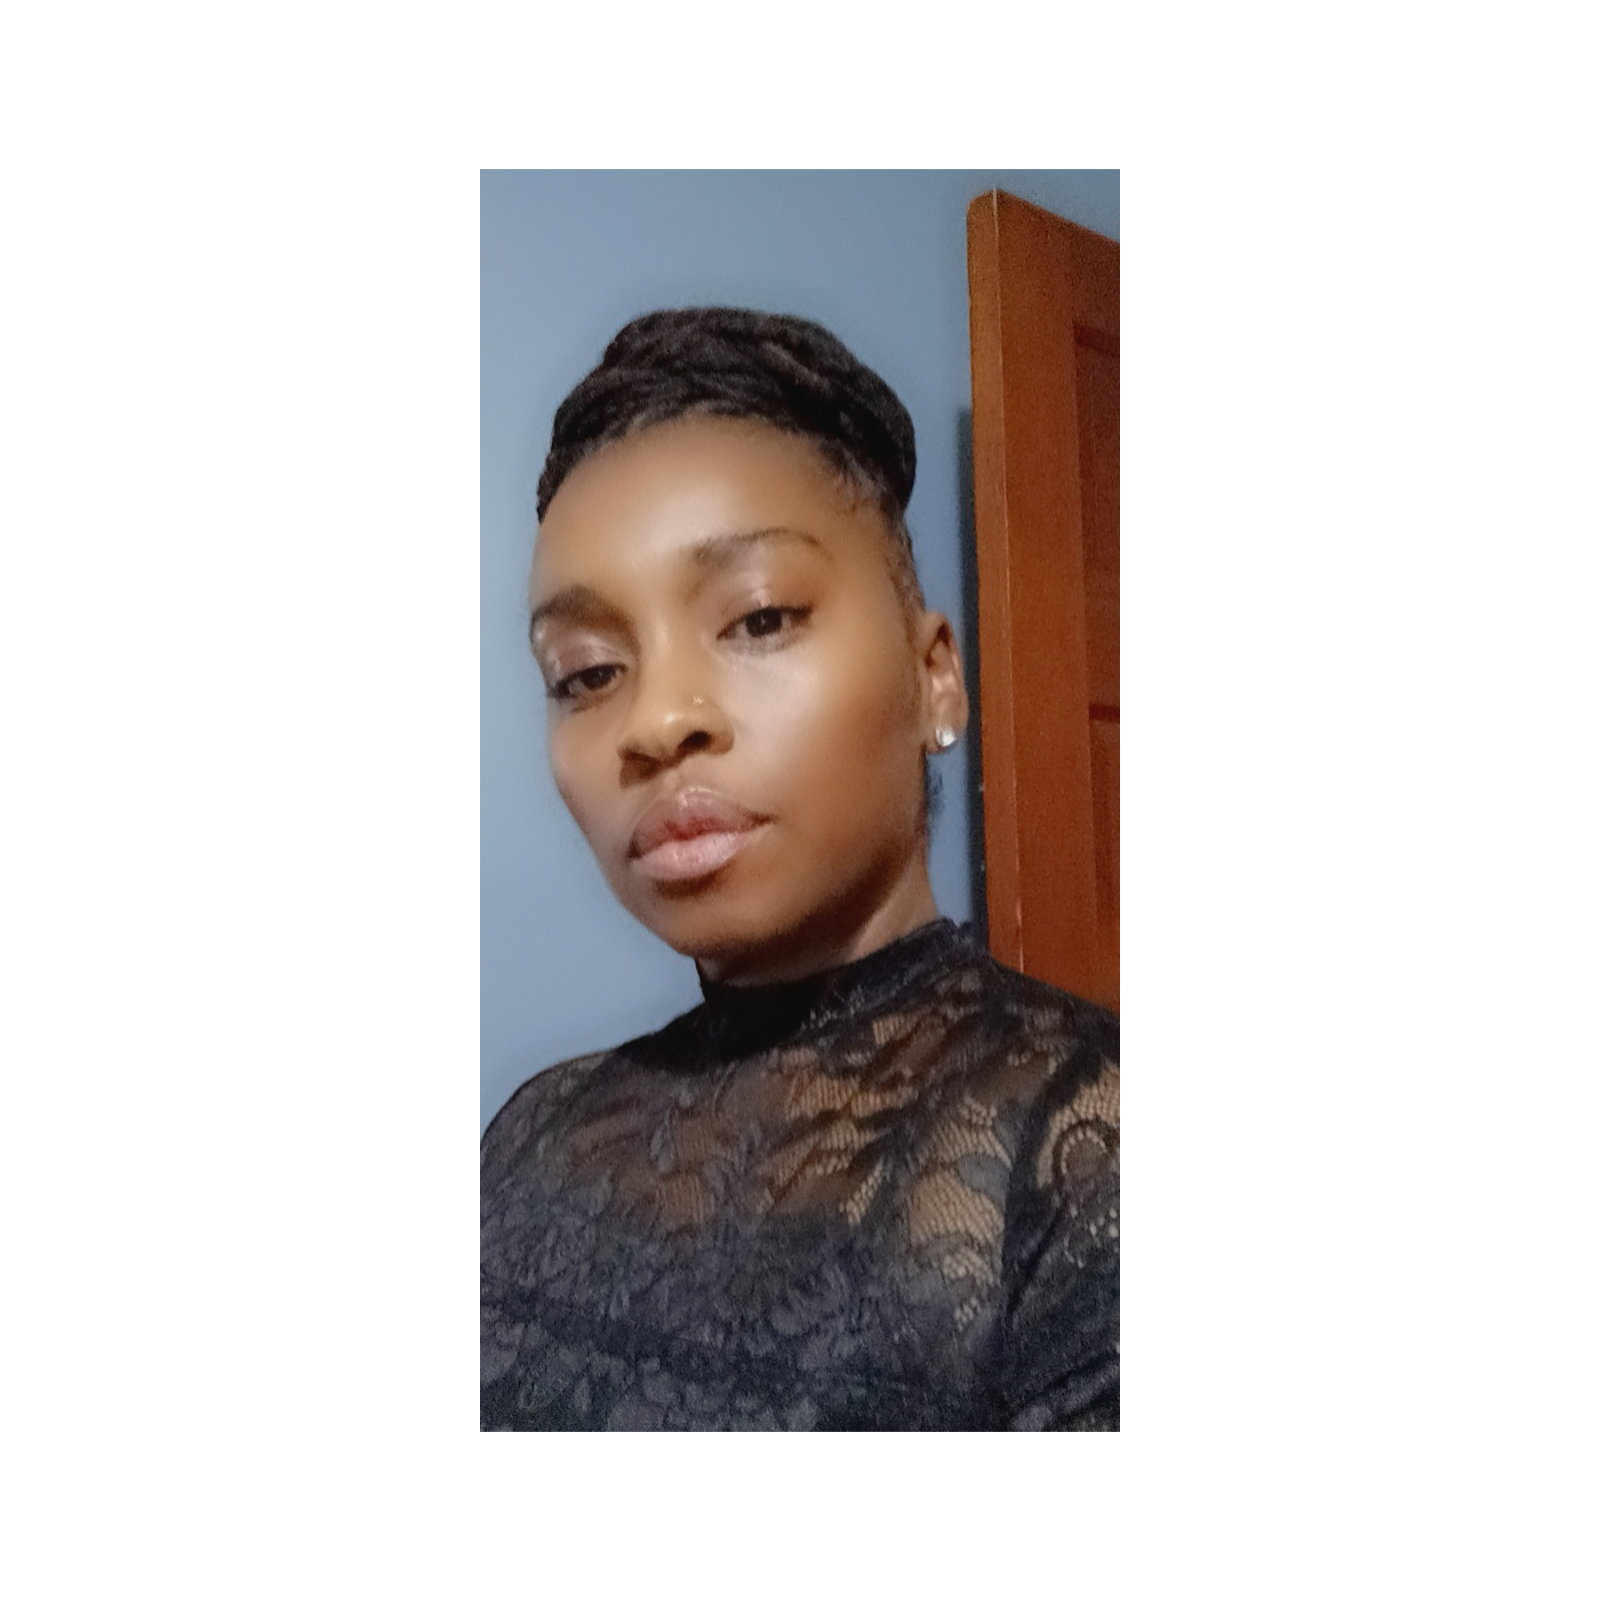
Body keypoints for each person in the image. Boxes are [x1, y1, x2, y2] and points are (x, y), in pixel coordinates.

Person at [480, 308, 1120, 1431]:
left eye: (759, 617)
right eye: (586, 673)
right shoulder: (533, 1127)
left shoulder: (1073, 1153)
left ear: (935, 677)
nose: (656, 721)